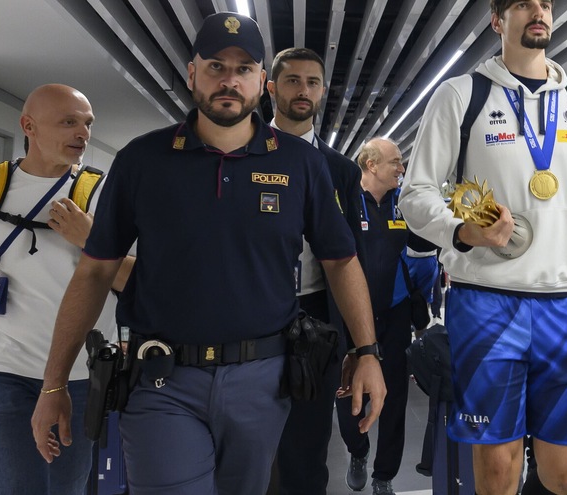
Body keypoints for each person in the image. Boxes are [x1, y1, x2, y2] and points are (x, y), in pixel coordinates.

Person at [30, 13, 386, 495]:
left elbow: (340, 261)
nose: (229, 80)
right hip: (162, 379)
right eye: (216, 66)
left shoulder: (301, 164)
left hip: (263, 381)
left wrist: (367, 352)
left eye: (243, 69)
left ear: (261, 82)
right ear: (192, 73)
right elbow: (95, 272)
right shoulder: (142, 160)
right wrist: (53, 384)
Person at [398, 1, 567, 493]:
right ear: (498, 20)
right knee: (498, 468)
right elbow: (414, 195)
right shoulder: (461, 95)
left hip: (563, 306)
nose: (538, 11)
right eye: (522, 4)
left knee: (565, 471)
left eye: (544, 3)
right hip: (485, 301)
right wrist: (463, 231)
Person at [0, 84, 128, 495]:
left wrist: (91, 241)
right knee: (10, 486)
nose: (83, 133)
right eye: (68, 122)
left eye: (87, 123)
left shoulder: (107, 195)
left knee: (67, 487)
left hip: (81, 373)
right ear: (29, 126)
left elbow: (141, 281)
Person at [266, 46, 367, 495]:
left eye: (312, 82)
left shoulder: (341, 171)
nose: (302, 90)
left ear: (323, 91)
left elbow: (350, 261)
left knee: (308, 448)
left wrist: (358, 347)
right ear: (271, 88)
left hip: (315, 320)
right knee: (249, 446)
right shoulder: (242, 156)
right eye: (292, 80)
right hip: (253, 311)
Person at [337, 138, 435, 495]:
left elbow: (426, 260)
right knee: (348, 391)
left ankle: (384, 475)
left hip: (394, 315)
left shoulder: (405, 206)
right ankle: (357, 450)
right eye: (395, 162)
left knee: (394, 396)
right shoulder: (346, 201)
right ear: (371, 164)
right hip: (351, 314)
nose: (401, 168)